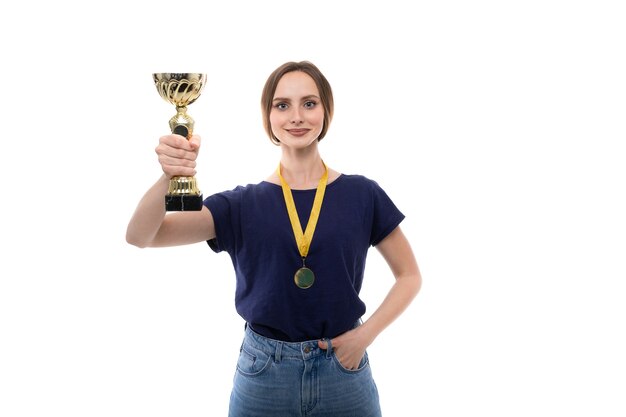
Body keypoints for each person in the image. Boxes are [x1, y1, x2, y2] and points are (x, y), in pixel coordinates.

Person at [126, 61, 422, 416]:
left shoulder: (362, 194)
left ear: (327, 111)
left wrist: (365, 336)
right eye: (282, 105)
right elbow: (142, 236)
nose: (296, 116)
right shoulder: (241, 204)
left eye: (309, 103)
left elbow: (410, 276)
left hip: (344, 369)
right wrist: (170, 176)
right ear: (267, 117)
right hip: (264, 374)